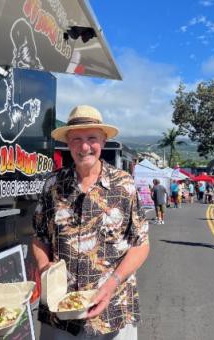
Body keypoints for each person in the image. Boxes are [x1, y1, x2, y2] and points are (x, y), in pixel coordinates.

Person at [32, 105, 149, 339]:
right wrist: (46, 270)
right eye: (76, 139)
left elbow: (141, 244)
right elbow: (39, 237)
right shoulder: (52, 184)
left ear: (103, 141)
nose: (84, 147)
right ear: (67, 142)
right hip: (60, 312)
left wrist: (111, 285)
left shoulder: (124, 185)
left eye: (92, 138)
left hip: (113, 308)